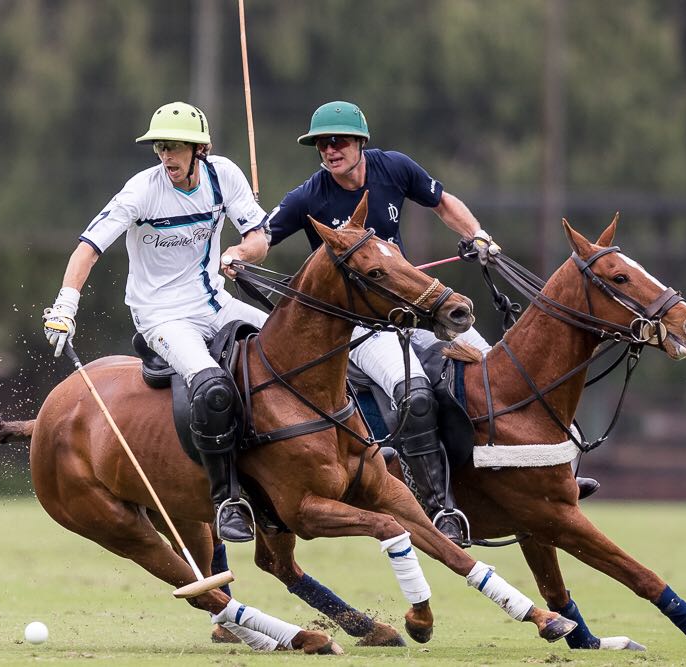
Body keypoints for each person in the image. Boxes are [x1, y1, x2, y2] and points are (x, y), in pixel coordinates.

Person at [262, 101, 598, 545]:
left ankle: (544, 474)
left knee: (495, 372)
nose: (329, 150)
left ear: (360, 143)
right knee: (414, 393)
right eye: (321, 144)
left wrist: (476, 234)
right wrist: (236, 254)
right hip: (361, 324)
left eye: (338, 141)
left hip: (410, 304)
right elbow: (261, 237)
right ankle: (441, 508)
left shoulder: (394, 168)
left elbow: (443, 202)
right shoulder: (309, 196)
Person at [42, 101, 269, 543]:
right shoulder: (141, 191)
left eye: (175, 147)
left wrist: (239, 252)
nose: (166, 155)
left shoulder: (224, 176)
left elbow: (259, 237)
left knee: (292, 353)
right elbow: (88, 248)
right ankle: (228, 501)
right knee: (212, 387)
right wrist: (66, 304)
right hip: (161, 316)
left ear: (199, 149)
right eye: (160, 147)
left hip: (214, 303)